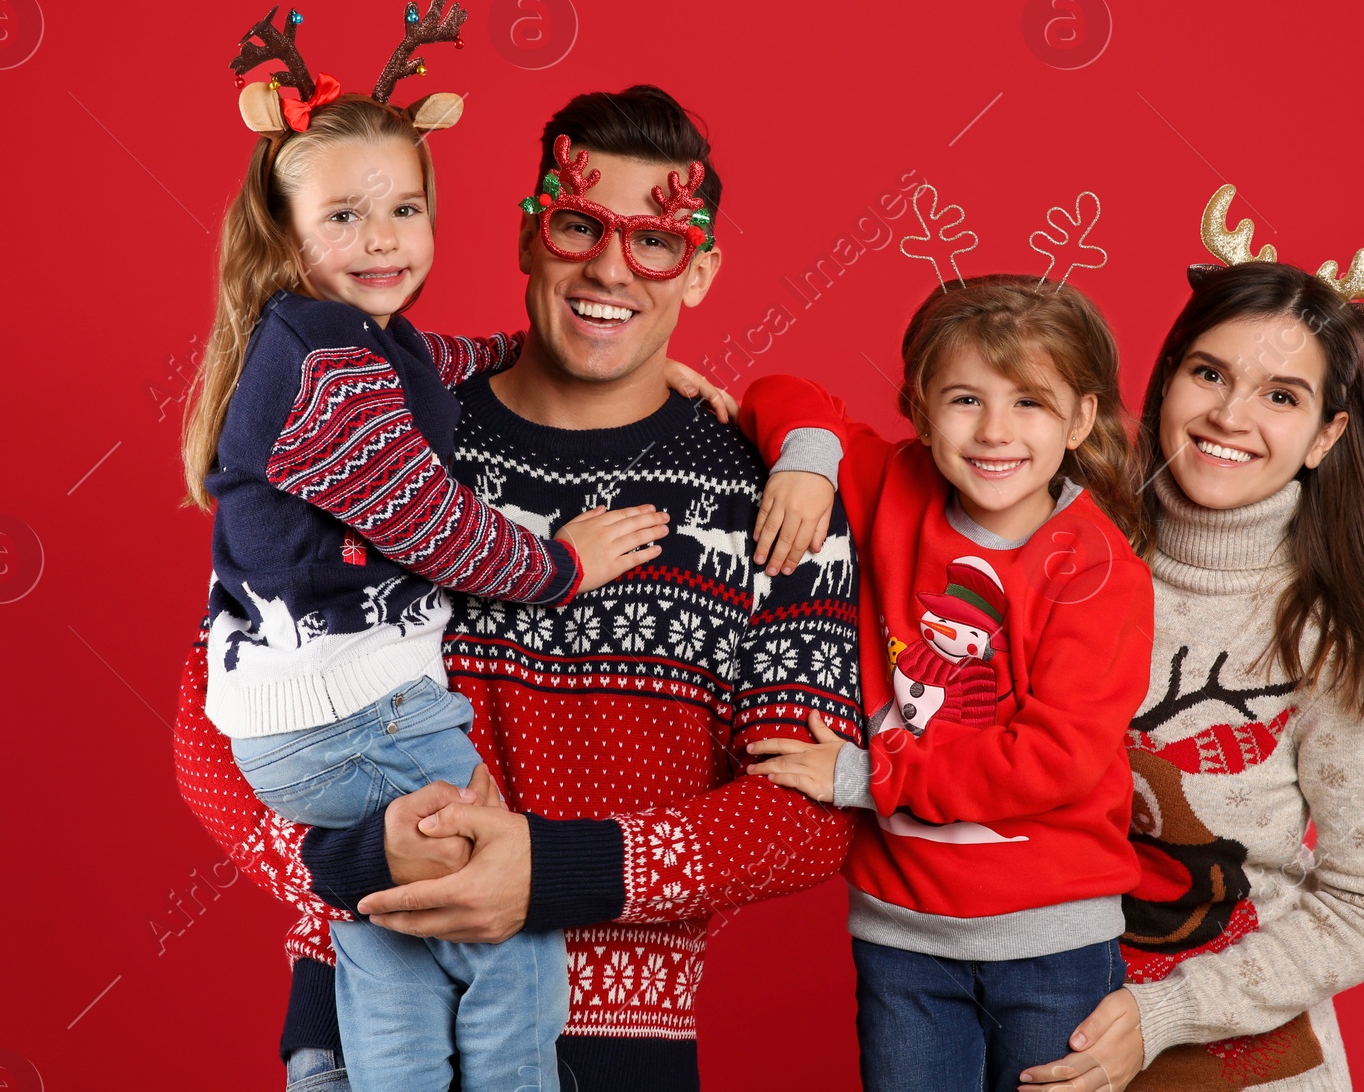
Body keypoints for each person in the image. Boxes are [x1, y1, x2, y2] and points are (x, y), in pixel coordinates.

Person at [175, 82, 863, 1092]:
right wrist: (357, 866)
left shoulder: (775, 496)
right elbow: (215, 705)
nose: (610, 266)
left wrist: (555, 872)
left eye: (656, 242)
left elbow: (810, 810)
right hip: (361, 1027)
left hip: (615, 1052)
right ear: (529, 234)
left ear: (701, 269)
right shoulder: (380, 417)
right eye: (580, 224)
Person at [185, 0, 698, 1090]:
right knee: (502, 919)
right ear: (286, 228)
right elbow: (441, 530)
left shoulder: (343, 346)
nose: (380, 239)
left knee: (393, 935)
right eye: (344, 217)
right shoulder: (325, 373)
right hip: (354, 711)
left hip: (304, 717)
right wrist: (567, 561)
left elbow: (440, 369)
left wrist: (773, 416)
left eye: (404, 210)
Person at [1018, 188, 1364, 1091]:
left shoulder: (1332, 641)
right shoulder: (1053, 552)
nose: (1231, 415)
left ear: (1327, 435)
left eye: (1281, 396)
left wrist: (1170, 1010)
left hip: (1241, 1068)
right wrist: (788, 438)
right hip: (1030, 1034)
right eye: (1209, 374)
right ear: (1166, 378)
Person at [736, 275, 1156, 1092]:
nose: (994, 431)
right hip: (902, 937)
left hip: (1051, 941)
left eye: (1030, 403)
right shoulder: (895, 484)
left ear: (1080, 418)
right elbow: (780, 390)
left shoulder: (1098, 569)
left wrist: (867, 775)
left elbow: (1055, 758)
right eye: (966, 399)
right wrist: (811, 462)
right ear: (922, 409)